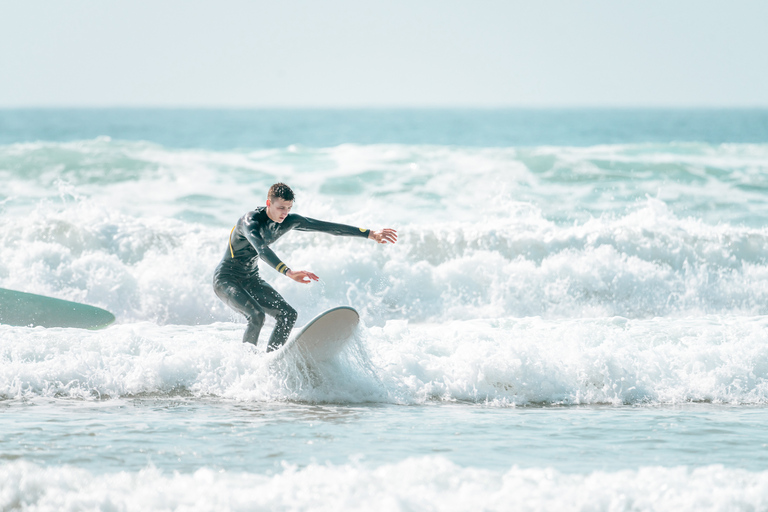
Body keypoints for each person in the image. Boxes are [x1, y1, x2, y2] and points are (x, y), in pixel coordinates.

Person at [213, 183, 397, 352]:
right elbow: (261, 249)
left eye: (289, 208)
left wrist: (370, 234)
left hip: (251, 279)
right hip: (226, 279)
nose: (285, 213)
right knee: (256, 316)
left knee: (288, 315)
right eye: (280, 208)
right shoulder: (249, 221)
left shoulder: (288, 221)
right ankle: (246, 361)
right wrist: (288, 271)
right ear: (269, 203)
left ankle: (272, 360)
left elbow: (327, 227)